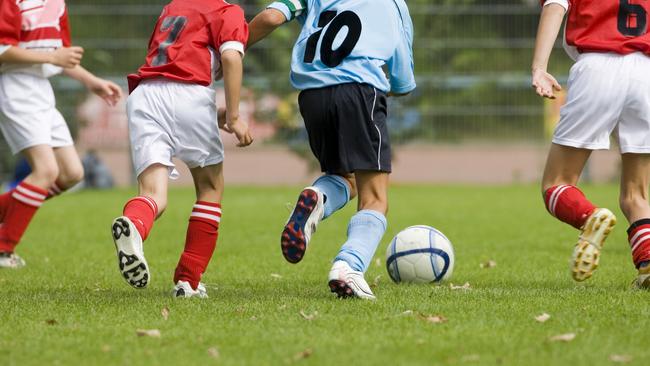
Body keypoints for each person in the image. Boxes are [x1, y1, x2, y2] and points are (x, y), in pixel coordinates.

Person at [248, 0, 416, 299]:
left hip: (312, 96)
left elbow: (271, 17)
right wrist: (393, 85)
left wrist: (230, 52)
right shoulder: (393, 4)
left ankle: (318, 198)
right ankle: (348, 266)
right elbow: (402, 80)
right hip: (359, 90)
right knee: (375, 197)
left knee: (344, 177)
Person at [110, 0, 252, 298]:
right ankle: (188, 281)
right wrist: (235, 115)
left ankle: (134, 225)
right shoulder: (228, 11)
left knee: (152, 194)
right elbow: (231, 58)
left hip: (145, 94)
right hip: (189, 92)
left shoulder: (173, 7)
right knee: (211, 188)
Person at [532, 0, 650, 286]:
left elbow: (555, 5)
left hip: (598, 66)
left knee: (556, 183)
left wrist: (539, 67)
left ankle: (591, 217)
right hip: (646, 72)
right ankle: (648, 265)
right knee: (637, 195)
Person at [0, 0, 122, 268]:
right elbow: (3, 50)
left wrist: (93, 82)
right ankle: (3, 247)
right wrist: (51, 57)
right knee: (45, 171)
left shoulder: (56, 3)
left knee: (71, 174)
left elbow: (61, 55)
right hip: (16, 88)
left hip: (42, 90)